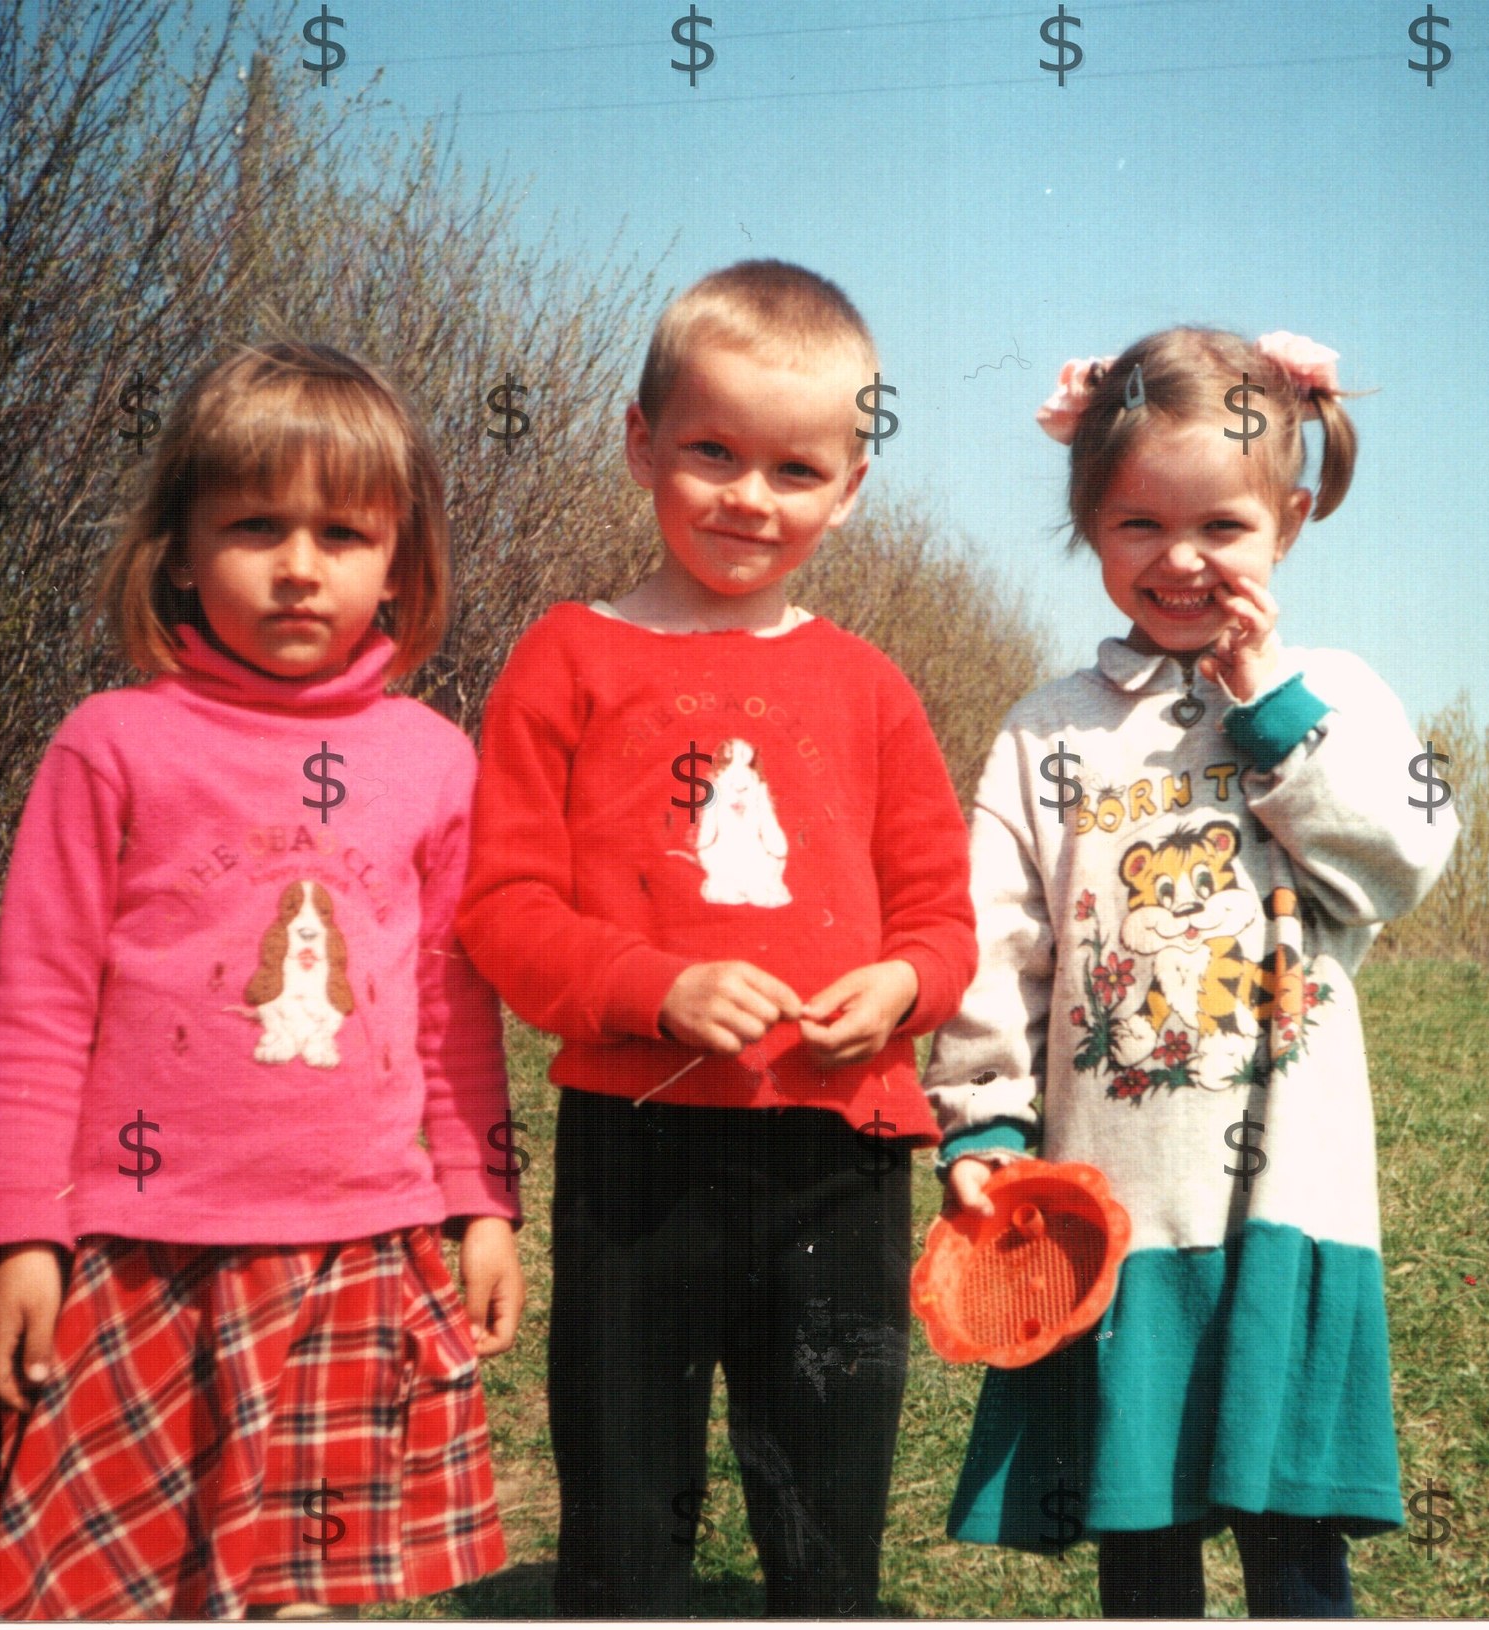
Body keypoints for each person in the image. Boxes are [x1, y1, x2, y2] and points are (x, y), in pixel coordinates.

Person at [0, 340, 523, 1621]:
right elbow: (39, 1007)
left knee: (302, 1593)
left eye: (342, 534)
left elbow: (451, 1010)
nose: (299, 566)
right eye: (255, 526)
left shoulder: (431, 759)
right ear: (181, 552)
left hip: (356, 1251)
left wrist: (482, 1203)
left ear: (400, 565)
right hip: (143, 1254)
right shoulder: (114, 745)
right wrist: (23, 1231)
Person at [454, 259, 978, 1617]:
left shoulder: (870, 687)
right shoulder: (566, 656)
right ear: (641, 441)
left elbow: (941, 914)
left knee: (826, 1514)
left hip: (840, 1147)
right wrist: (655, 985)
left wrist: (904, 984)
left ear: (849, 486)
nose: (751, 495)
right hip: (640, 1146)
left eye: (796, 469)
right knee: (625, 1509)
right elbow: (503, 912)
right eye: (713, 452)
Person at [922, 328, 1460, 1617]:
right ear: (1088, 524)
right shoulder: (1049, 729)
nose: (1179, 559)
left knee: (1290, 1535)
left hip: (1289, 1196)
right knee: (1143, 1528)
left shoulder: (1335, 695)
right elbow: (996, 938)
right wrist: (983, 1117)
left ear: (1290, 518)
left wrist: (1270, 711)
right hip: (1119, 1195)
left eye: (1220, 524)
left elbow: (1400, 856)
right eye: (1138, 523)